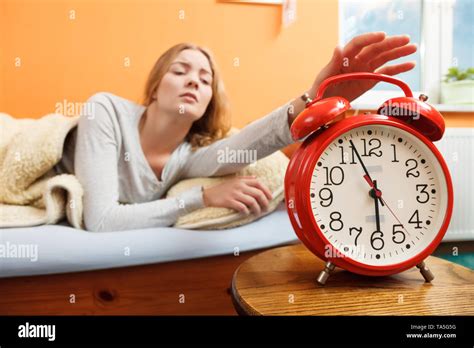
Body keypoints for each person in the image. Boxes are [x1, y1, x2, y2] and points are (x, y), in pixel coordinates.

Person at [56, 32, 417, 232]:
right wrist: (201, 198)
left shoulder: (189, 157)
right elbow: (100, 220)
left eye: (204, 79)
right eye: (180, 71)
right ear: (154, 87)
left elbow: (252, 142)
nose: (193, 82)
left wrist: (315, 98)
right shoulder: (104, 110)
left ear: (208, 102)